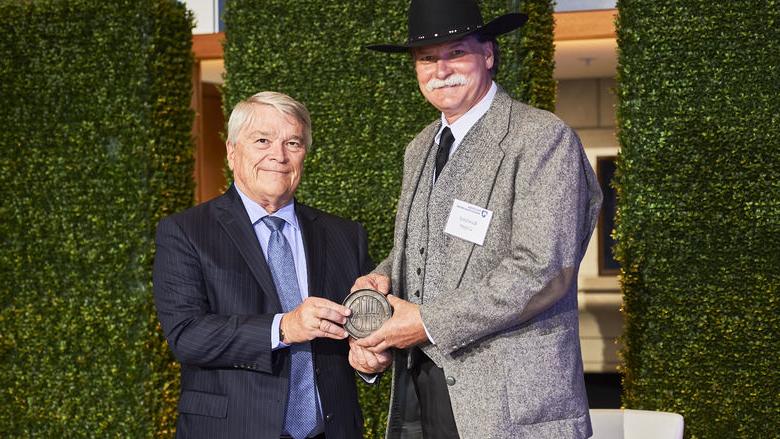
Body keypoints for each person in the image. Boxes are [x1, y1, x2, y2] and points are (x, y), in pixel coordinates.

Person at [348, 1, 603, 438]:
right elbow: (422, 244)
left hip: (508, 403)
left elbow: (542, 269)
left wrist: (427, 322)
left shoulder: (541, 138)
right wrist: (380, 279)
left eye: (456, 52)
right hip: (421, 390)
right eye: (427, 59)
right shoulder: (420, 147)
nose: (440, 69)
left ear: (488, 55)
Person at [153, 91, 382, 439]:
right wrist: (284, 327)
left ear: (305, 154)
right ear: (232, 152)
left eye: (292, 142)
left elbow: (362, 326)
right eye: (262, 140)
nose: (278, 155)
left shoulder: (345, 236)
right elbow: (187, 335)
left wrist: (372, 359)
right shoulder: (186, 232)